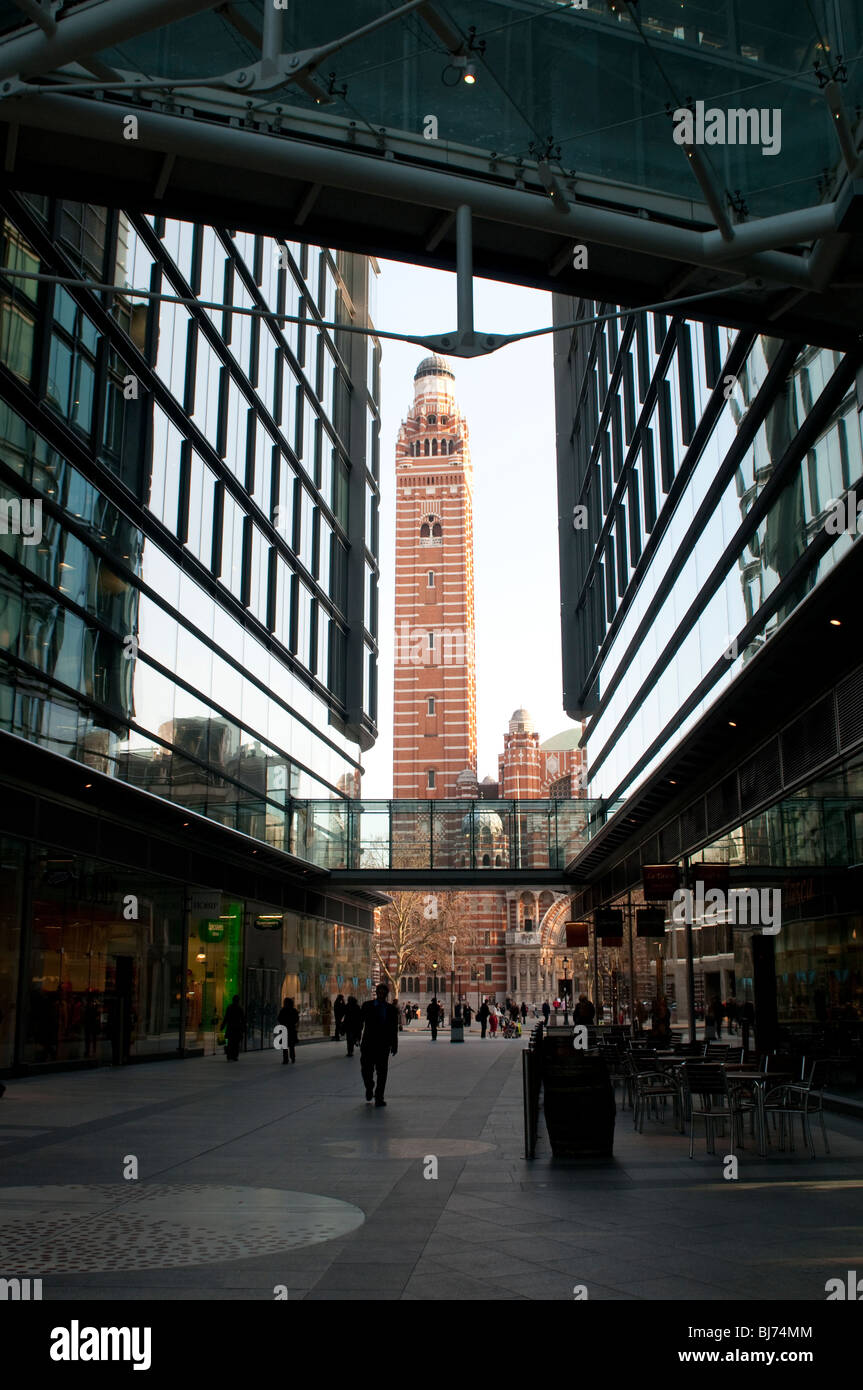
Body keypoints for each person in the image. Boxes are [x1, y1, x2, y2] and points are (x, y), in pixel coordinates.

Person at [359, 983, 399, 1106]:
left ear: (386, 994)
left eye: (383, 993)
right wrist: (356, 1036)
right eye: (379, 992)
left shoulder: (391, 1009)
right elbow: (360, 1022)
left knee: (382, 1072)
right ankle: (369, 1086)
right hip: (368, 1044)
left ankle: (379, 1097)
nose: (381, 995)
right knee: (366, 1070)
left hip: (383, 1045)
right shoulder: (367, 1006)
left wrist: (394, 1044)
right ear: (376, 993)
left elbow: (394, 1029)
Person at [222, 995, 245, 1062]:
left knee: (230, 1042)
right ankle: (234, 1056)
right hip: (237, 1028)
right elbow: (243, 1019)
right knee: (236, 1043)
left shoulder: (229, 1007)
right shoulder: (240, 1008)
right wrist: (243, 1028)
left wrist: (223, 1025)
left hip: (230, 1028)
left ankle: (229, 1055)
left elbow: (226, 1017)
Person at [276, 997, 299, 1064]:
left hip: (284, 1029)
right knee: (291, 1046)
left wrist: (284, 1023)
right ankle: (292, 1057)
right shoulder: (294, 1010)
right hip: (291, 1029)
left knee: (285, 1046)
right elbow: (296, 1019)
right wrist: (292, 1023)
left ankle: (285, 1059)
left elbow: (279, 1019)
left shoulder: (283, 1010)